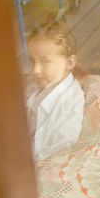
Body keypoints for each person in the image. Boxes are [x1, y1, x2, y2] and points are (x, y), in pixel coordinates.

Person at [25, 21, 85, 161]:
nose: (35, 70)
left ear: (69, 63)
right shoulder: (36, 87)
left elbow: (60, 153)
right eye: (32, 61)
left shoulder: (69, 105)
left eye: (45, 61)